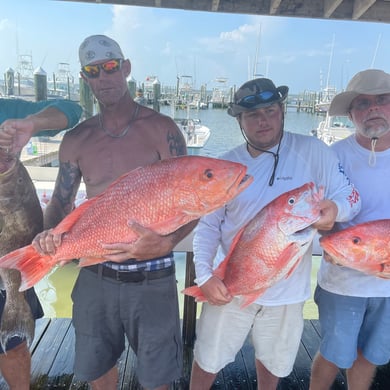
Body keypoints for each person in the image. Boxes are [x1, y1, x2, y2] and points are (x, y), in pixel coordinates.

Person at [32, 34, 196, 390]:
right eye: (93, 71)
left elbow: (192, 201)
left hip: (152, 278)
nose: (103, 78)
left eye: (110, 68)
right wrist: (48, 235)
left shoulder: (162, 129)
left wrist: (166, 243)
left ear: (125, 68)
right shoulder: (77, 139)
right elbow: (61, 202)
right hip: (96, 276)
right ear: (84, 78)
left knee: (158, 378)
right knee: (97, 371)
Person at [188, 77, 361, 390]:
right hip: (232, 282)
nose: (262, 120)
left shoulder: (314, 151)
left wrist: (335, 210)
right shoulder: (226, 163)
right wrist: (204, 276)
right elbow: (208, 226)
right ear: (239, 120)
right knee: (207, 357)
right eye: (252, 114)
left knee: (274, 363)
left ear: (282, 110)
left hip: (287, 294)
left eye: (269, 110)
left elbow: (350, 196)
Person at [310, 69, 390, 390]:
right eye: (363, 103)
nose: (373, 109)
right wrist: (325, 234)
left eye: (382, 100)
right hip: (342, 282)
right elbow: (317, 215)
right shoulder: (332, 156)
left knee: (369, 355)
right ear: (350, 113)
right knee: (332, 354)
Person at [0, 98, 82, 390]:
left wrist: (32, 124)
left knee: (14, 344)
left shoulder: (6, 112)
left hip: (11, 253)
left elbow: (72, 111)